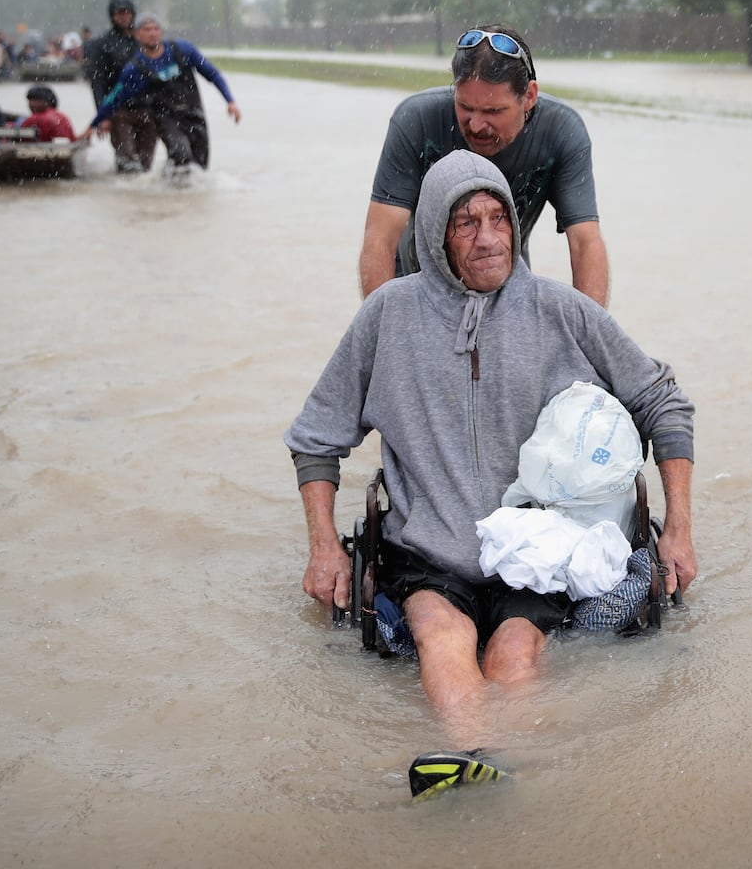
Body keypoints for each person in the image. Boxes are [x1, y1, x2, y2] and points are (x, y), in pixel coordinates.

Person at [286, 149, 696, 797]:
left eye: (499, 219)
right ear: (433, 237)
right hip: (429, 546)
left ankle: (502, 780)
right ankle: (476, 763)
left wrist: (679, 530)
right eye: (466, 223)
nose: (487, 238)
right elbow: (316, 438)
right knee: (442, 639)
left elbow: (663, 403)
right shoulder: (388, 314)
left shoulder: (562, 311)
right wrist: (322, 548)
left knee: (514, 652)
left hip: (535, 545)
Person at [359, 23, 611, 307]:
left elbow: (585, 243)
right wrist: (381, 328)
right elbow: (380, 236)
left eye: (493, 111)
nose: (476, 125)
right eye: (465, 107)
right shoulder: (416, 120)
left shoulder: (562, 132)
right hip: (417, 292)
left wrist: (590, 339)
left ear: (529, 96)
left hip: (504, 293)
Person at [82, 13, 242, 176]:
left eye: (156, 29)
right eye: (147, 30)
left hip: (193, 112)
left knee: (200, 165)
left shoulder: (183, 50)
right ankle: (173, 192)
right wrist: (93, 124)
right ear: (137, 34)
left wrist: (230, 101)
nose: (152, 33)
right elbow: (114, 99)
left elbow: (213, 74)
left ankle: (167, 185)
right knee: (181, 153)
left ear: (161, 32)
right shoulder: (135, 69)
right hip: (166, 118)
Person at [82, 0, 158, 173]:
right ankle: (127, 195)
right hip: (119, 111)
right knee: (127, 161)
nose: (124, 16)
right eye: (120, 13)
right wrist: (103, 116)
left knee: (146, 163)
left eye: (128, 13)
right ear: (112, 16)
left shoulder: (144, 42)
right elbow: (98, 82)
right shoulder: (101, 45)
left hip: (148, 109)